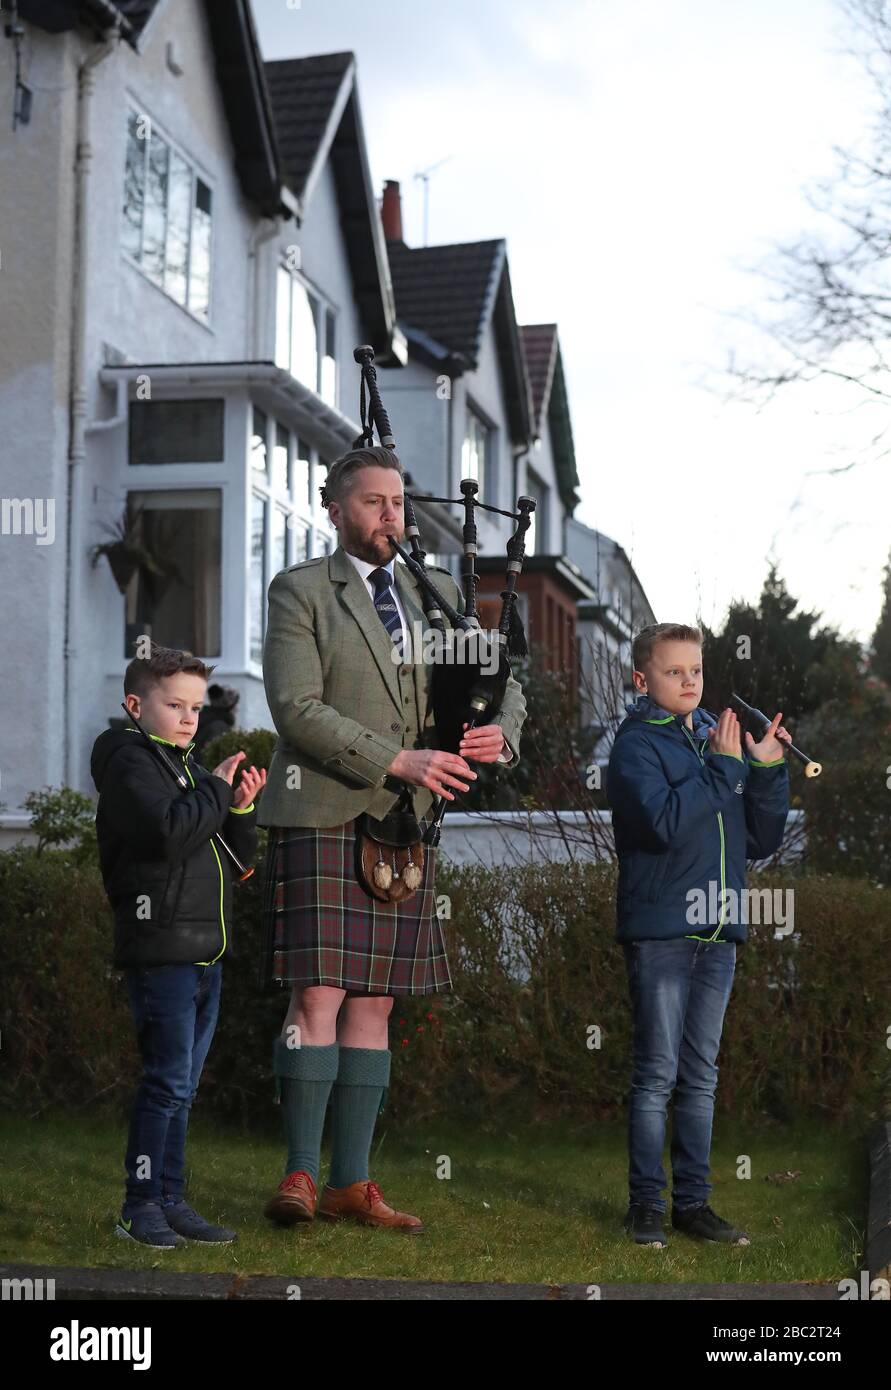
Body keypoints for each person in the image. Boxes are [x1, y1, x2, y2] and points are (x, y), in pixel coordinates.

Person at [258, 444, 527, 1232]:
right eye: (372, 502)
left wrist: (495, 738)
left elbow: (504, 683)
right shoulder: (300, 590)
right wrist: (395, 757)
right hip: (325, 811)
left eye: (399, 502)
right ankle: (300, 1176)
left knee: (374, 1004)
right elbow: (295, 707)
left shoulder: (437, 594)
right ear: (333, 507)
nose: (390, 517)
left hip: (408, 824)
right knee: (318, 995)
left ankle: (353, 1182)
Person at [606, 623, 791, 1248]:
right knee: (657, 1072)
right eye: (674, 671)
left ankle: (694, 1204)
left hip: (720, 927)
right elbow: (661, 823)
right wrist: (723, 769)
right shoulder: (635, 746)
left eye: (697, 671)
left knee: (701, 1074)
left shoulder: (717, 742)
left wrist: (763, 770)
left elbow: (760, 840)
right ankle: (646, 1207)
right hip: (662, 930)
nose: (690, 682)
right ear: (642, 680)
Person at [90, 643, 265, 1249]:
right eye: (175, 705)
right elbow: (165, 834)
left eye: (196, 706)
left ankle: (171, 1199)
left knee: (182, 1088)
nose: (191, 717)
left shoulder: (187, 771)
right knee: (165, 1083)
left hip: (204, 955)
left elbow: (236, 863)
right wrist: (217, 792)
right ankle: (139, 1206)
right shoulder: (126, 761)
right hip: (161, 953)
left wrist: (238, 808)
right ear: (135, 705)